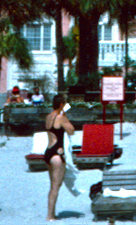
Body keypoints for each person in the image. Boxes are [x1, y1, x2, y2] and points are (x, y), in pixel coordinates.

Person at [43, 93, 77, 221]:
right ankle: (50, 216)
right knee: (56, 186)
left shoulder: (48, 116)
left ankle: (50, 214)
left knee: (52, 186)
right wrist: (66, 117)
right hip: (57, 153)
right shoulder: (60, 117)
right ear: (62, 105)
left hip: (48, 152)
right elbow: (71, 131)